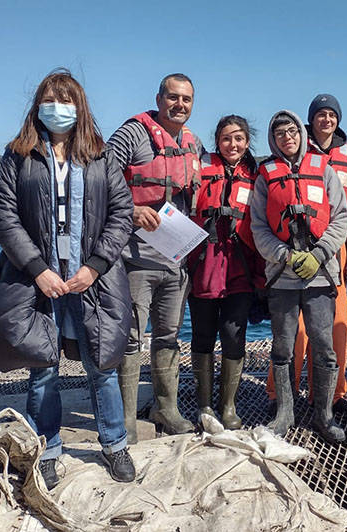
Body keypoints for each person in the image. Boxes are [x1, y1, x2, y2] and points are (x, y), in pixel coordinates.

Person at [0, 69, 136, 489]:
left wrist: (95, 266)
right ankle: (47, 448)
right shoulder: (18, 155)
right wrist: (38, 269)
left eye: (66, 101)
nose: (58, 108)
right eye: (50, 100)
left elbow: (122, 215)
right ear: (37, 106)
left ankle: (115, 443)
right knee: (42, 368)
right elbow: (3, 217)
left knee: (101, 364)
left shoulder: (101, 155)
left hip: (92, 281)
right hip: (39, 283)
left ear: (79, 107)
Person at [106, 73, 203, 439]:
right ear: (159, 98)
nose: (180, 105)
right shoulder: (132, 134)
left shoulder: (193, 144)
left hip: (175, 258)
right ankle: (127, 418)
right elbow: (99, 177)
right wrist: (130, 210)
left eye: (187, 100)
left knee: (169, 335)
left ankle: (166, 407)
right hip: (134, 258)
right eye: (173, 97)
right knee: (131, 338)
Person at [264, 94, 347, 414]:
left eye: (331, 115)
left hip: (332, 253)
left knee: (336, 325)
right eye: (320, 115)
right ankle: (279, 394)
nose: (326, 120)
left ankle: (333, 395)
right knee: (293, 330)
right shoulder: (296, 153)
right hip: (293, 253)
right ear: (310, 121)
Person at [250, 110, 347, 443]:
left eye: (292, 131)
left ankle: (323, 414)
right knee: (282, 347)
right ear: (273, 139)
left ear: (301, 134)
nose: (287, 137)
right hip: (282, 277)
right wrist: (286, 256)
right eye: (279, 133)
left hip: (321, 276)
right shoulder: (265, 176)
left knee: (324, 347)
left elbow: (340, 218)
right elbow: (259, 228)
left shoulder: (324, 170)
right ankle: (285, 413)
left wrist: (319, 254)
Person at [187, 115, 263, 429]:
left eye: (239, 138)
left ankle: (228, 406)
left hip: (240, 269)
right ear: (217, 140)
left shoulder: (256, 175)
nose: (233, 145)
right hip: (205, 265)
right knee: (202, 334)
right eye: (227, 138)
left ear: (247, 142)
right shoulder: (201, 167)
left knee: (234, 336)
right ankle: (205, 404)